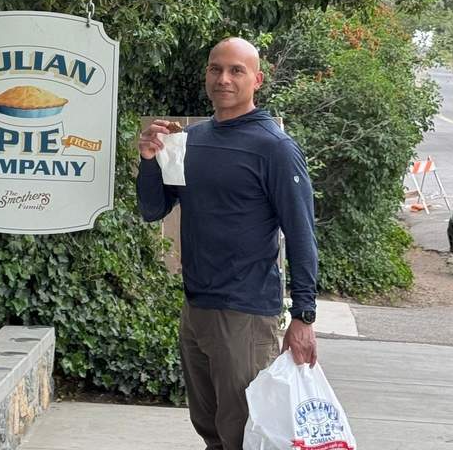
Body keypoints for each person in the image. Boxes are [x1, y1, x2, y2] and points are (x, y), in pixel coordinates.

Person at [136, 37, 319, 450]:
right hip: (196, 309)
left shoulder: (275, 149)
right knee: (213, 433)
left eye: (236, 70)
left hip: (246, 315)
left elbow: (302, 232)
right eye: (216, 69)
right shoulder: (191, 141)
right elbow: (153, 209)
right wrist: (149, 160)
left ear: (257, 79)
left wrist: (304, 316)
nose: (224, 79)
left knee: (244, 437)